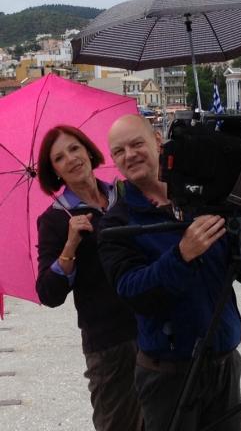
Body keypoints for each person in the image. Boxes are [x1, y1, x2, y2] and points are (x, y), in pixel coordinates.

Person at [98, 115, 241, 431]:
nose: (130, 155)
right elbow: (133, 292)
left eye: (136, 144)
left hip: (224, 362)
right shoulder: (116, 223)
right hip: (168, 373)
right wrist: (182, 255)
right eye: (119, 151)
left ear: (157, 141)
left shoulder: (202, 198)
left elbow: (235, 268)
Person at [36, 125, 144, 431]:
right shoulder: (56, 219)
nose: (71, 159)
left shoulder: (126, 195)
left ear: (88, 151)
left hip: (153, 327)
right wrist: (70, 246)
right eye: (59, 158)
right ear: (54, 171)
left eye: (74, 148)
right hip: (109, 343)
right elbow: (48, 293)